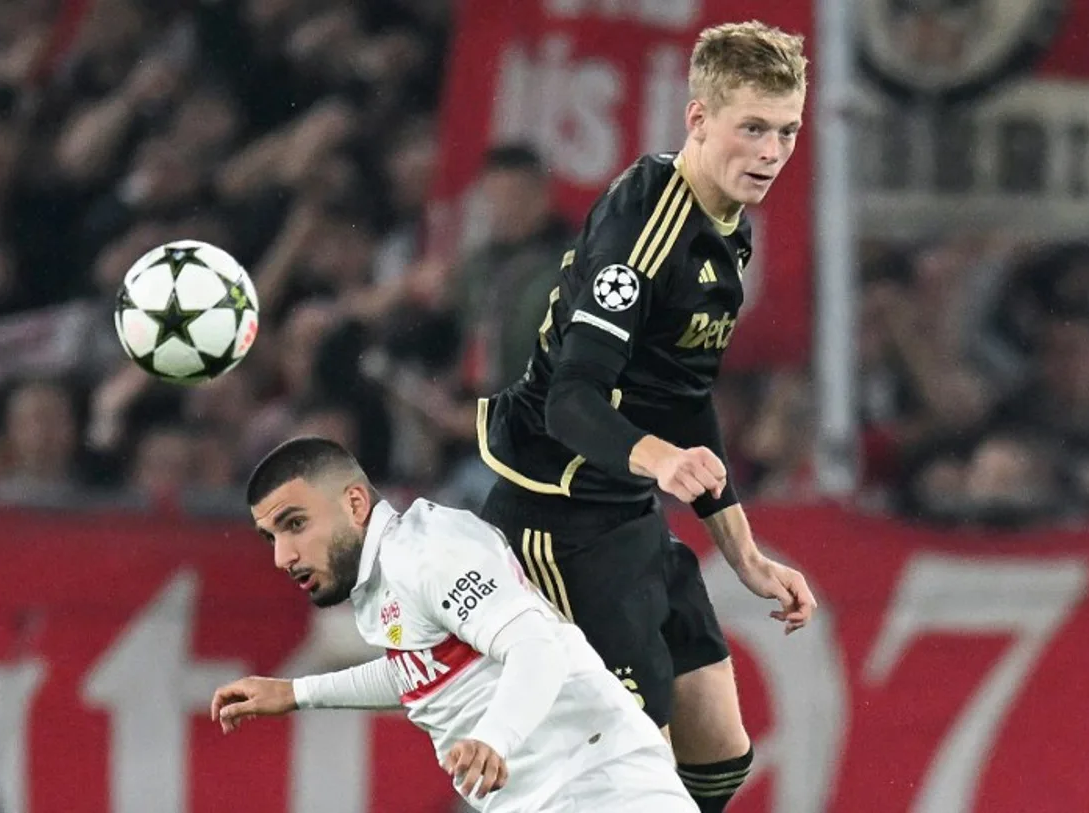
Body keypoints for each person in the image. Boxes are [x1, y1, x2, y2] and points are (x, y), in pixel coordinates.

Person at [474, 20, 817, 812]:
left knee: (719, 755)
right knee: (630, 781)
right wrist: (661, 460)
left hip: (625, 513)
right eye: (753, 129)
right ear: (698, 119)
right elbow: (571, 401)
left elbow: (683, 393)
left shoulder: (727, 227)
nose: (772, 152)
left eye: (787, 130)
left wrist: (744, 552)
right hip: (557, 519)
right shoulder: (645, 228)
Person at [209, 437, 697, 813]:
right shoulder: (388, 578)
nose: (281, 556)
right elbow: (418, 672)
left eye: (295, 524)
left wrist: (493, 739)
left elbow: (536, 646)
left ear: (355, 505)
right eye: (270, 536)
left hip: (604, 788)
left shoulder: (429, 552)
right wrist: (295, 694)